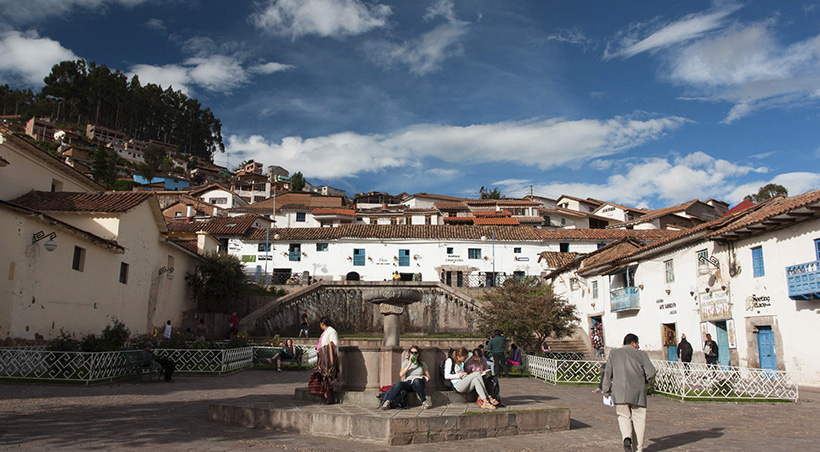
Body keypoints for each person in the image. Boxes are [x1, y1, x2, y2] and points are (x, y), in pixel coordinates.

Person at [602, 333, 656, 452]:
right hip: (638, 392)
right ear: (633, 343)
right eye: (637, 344)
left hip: (620, 391)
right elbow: (651, 372)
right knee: (639, 419)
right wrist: (645, 382)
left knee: (623, 416)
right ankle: (638, 448)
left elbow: (608, 373)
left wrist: (606, 390)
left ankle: (626, 437)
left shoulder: (614, 353)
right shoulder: (641, 354)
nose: (638, 346)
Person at [380, 345, 432, 410]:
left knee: (416, 381)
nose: (414, 354)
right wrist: (410, 363)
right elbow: (401, 374)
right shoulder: (406, 362)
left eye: (415, 353)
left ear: (418, 354)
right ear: (409, 353)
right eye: (412, 352)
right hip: (409, 382)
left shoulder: (422, 364)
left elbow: (428, 376)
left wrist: (423, 377)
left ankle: (424, 402)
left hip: (418, 383)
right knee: (399, 384)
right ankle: (387, 401)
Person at [315, 316, 339, 404]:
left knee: (328, 378)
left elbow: (334, 345)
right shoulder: (325, 332)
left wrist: (325, 350)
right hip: (322, 359)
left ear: (322, 324)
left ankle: (330, 398)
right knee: (323, 378)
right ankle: (326, 397)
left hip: (328, 359)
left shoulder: (332, 332)